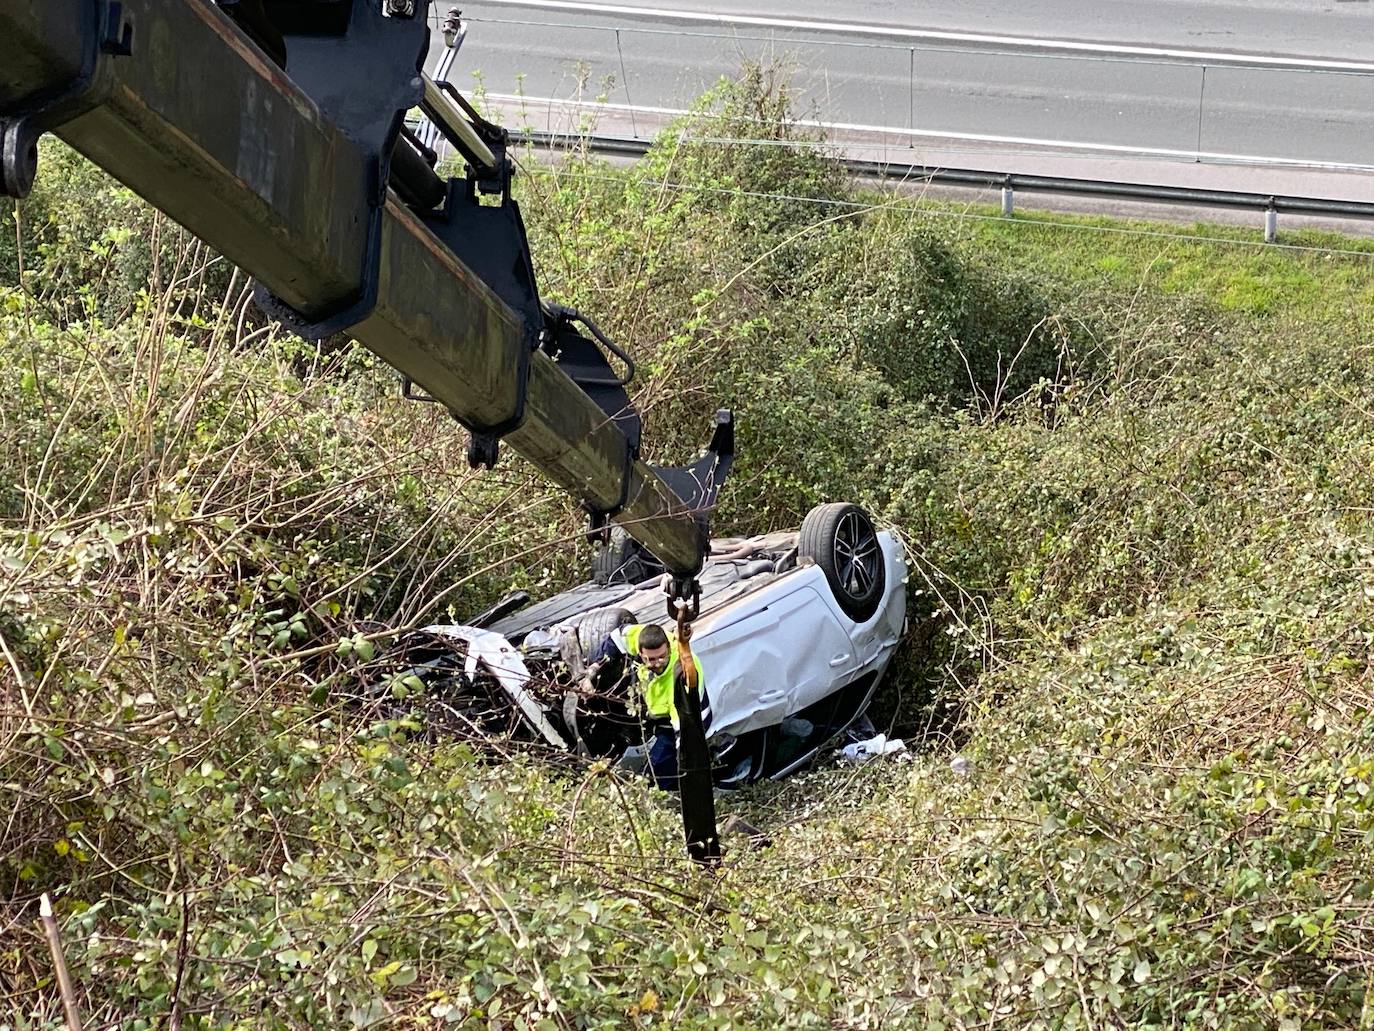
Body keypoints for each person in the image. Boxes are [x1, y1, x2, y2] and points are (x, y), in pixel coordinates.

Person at [590, 622, 708, 789]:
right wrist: (595, 667)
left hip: (685, 720)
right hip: (655, 713)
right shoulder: (640, 637)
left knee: (659, 766)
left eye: (662, 656)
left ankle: (671, 791)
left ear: (668, 647)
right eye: (650, 659)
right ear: (640, 651)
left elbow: (684, 727)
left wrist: (684, 756)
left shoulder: (681, 675)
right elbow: (617, 639)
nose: (657, 663)